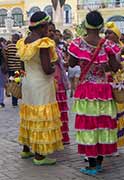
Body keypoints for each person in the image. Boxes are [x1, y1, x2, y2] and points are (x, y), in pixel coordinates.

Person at [68, 10, 120, 175]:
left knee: (88, 126)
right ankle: (99, 162)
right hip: (103, 90)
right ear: (100, 25)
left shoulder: (78, 43)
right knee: (102, 125)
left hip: (87, 90)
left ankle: (91, 165)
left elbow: (71, 63)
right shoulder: (108, 45)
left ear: (86, 24)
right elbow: (114, 67)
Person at [16, 11, 63, 165]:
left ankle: (26, 149)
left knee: (29, 114)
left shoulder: (24, 42)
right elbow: (46, 69)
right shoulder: (43, 43)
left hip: (28, 83)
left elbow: (23, 64)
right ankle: (40, 156)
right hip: (42, 84)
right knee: (41, 117)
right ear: (42, 27)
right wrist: (54, 65)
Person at [105, 21, 124, 153]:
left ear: (117, 36)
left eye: (110, 33)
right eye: (106, 33)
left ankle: (115, 144)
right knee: (107, 115)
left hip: (117, 85)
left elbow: (121, 66)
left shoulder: (120, 48)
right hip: (105, 85)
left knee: (117, 116)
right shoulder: (102, 47)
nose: (107, 35)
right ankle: (107, 144)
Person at [48, 22, 70, 144]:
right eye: (49, 31)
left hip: (60, 81)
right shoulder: (45, 46)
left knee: (61, 111)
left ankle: (62, 136)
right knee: (53, 112)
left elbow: (60, 61)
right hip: (50, 82)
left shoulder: (57, 47)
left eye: (54, 31)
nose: (52, 34)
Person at [6, 33, 24, 107]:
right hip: (17, 69)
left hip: (11, 69)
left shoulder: (8, 46)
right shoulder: (20, 46)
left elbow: (6, 56)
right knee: (17, 84)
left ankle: (14, 101)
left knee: (12, 84)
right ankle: (16, 99)